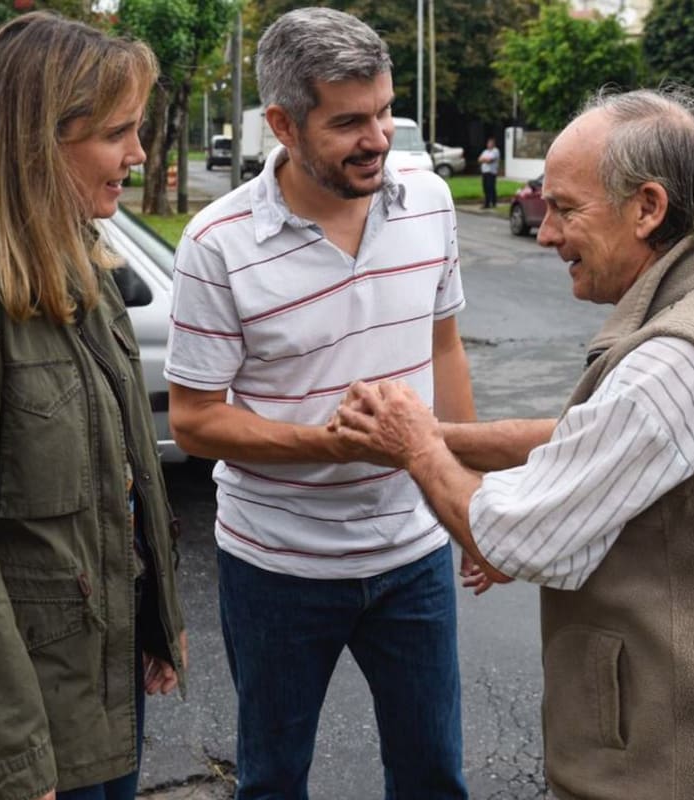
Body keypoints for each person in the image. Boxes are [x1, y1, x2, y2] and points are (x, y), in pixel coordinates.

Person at [334, 87, 694, 800]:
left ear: (648, 207)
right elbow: (596, 442)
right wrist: (441, 435)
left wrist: (415, 448)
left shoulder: (680, 358)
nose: (547, 232)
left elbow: (516, 538)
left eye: (564, 207)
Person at [0, 12, 188, 800]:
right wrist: (12, 756)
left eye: (139, 129)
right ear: (38, 140)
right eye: (119, 132)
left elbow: (128, 473)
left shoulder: (86, 265)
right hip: (30, 712)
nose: (138, 155)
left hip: (103, 680)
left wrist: (158, 622)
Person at [164, 7, 474, 799]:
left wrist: (468, 501)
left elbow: (445, 349)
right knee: (271, 780)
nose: (377, 139)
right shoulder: (217, 243)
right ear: (283, 124)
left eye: (384, 113)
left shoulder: (431, 203)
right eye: (348, 122)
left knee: (434, 774)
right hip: (276, 564)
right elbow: (195, 421)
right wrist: (332, 445)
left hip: (413, 555)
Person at [477, 136, 500, 208]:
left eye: (490, 143)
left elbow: (490, 160)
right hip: (485, 172)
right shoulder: (485, 151)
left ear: (493, 144)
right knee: (485, 188)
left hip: (491, 172)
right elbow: (479, 159)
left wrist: (484, 159)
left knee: (491, 187)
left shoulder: (495, 151)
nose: (489, 144)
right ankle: (486, 203)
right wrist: (485, 159)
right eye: (488, 143)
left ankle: (493, 202)